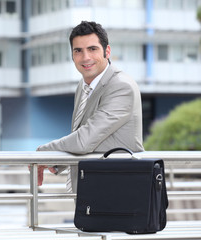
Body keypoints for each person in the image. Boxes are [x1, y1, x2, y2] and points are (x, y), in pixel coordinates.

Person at [36, 21, 145, 192]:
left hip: (119, 190)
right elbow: (88, 137)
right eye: (78, 51)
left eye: (92, 49)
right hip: (91, 187)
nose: (85, 57)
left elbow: (84, 140)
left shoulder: (121, 86)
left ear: (107, 51)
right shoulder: (83, 85)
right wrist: (56, 162)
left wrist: (43, 153)